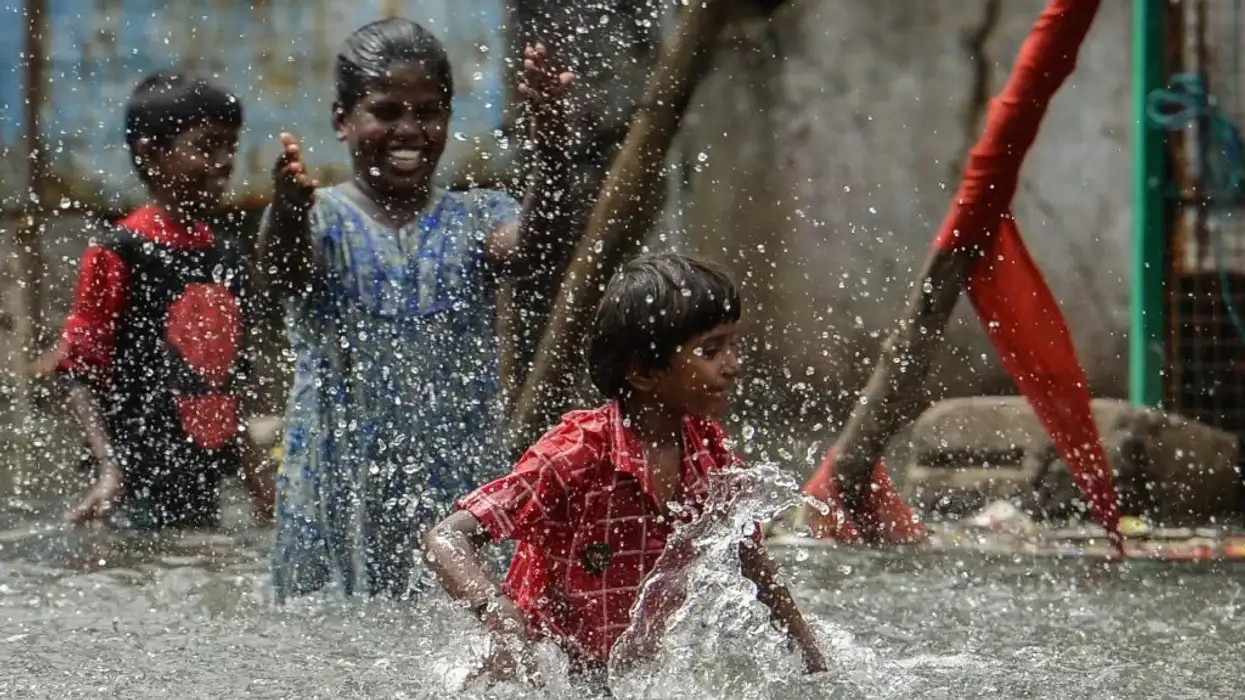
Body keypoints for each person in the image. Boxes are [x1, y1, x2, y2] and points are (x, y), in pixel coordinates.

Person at [259, 18, 572, 601]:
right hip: (335, 494)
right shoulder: (321, 218)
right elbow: (282, 271)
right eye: (386, 111)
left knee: (466, 641)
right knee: (323, 641)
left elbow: (535, 247)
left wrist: (551, 154)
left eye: (428, 112)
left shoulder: (478, 217)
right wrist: (285, 210)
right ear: (342, 120)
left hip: (455, 486)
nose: (410, 129)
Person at [423, 253, 828, 685]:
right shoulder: (575, 455)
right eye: (711, 351)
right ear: (643, 373)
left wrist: (814, 665)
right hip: (540, 677)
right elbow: (446, 536)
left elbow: (750, 558)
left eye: (732, 346)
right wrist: (493, 610)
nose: (733, 366)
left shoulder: (713, 457)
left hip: (632, 678)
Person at [39, 70, 273, 530]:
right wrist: (109, 469)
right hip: (132, 488)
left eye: (231, 146)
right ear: (151, 153)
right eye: (207, 146)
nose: (225, 162)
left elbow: (227, 380)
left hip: (206, 484)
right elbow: (79, 372)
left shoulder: (224, 255)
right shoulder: (118, 252)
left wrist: (256, 482)